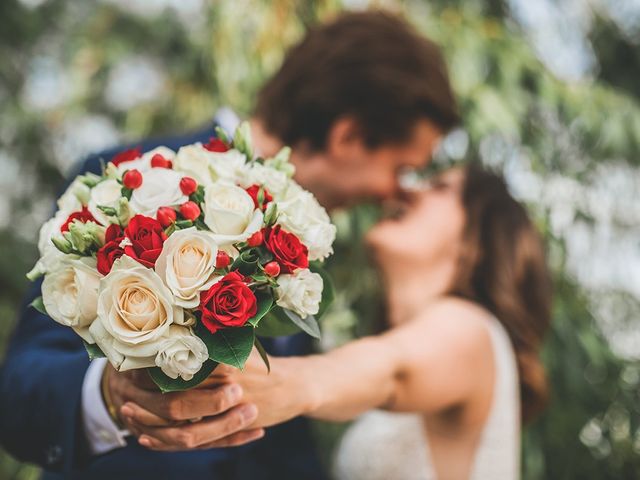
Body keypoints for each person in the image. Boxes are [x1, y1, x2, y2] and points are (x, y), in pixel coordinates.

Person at [0, 10, 458, 479]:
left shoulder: (301, 244)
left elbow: (281, 445)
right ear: (349, 137)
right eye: (400, 168)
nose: (394, 193)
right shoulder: (122, 179)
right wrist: (111, 397)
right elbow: (18, 394)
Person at [128, 165, 552, 479]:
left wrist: (290, 383)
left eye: (439, 187)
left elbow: (392, 369)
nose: (408, 189)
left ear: (474, 241)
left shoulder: (472, 330)